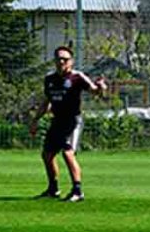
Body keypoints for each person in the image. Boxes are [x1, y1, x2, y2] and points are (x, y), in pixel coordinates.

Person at [29, 45, 106, 202]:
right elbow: (47, 102)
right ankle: (53, 189)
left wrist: (100, 88)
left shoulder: (77, 77)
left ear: (71, 61)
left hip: (73, 121)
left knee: (67, 152)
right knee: (47, 154)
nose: (61, 61)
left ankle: (77, 191)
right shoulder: (49, 79)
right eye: (58, 58)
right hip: (57, 121)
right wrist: (35, 120)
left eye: (65, 59)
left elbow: (94, 91)